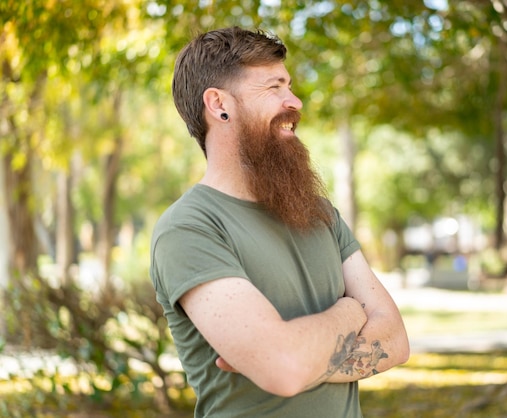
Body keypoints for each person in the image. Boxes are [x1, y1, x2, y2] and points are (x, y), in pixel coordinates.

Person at [150, 26, 410, 418]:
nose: (295, 102)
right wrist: (351, 313)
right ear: (220, 104)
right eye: (274, 88)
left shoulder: (320, 213)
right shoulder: (189, 229)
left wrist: (297, 355)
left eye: (289, 85)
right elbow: (284, 369)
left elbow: (395, 340)